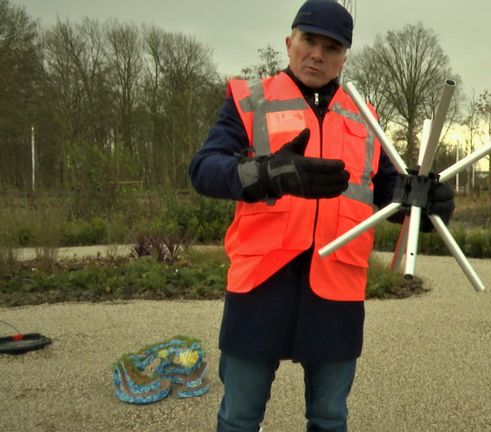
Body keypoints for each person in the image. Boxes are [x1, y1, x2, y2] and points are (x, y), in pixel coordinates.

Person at [188, 1, 454, 431]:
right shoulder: (249, 100)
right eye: (309, 41)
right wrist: (266, 173)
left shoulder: (364, 116)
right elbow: (203, 170)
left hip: (336, 288)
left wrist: (423, 202)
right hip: (261, 284)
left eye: (331, 47)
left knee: (330, 418)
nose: (317, 54)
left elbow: (389, 189)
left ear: (344, 56)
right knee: (239, 417)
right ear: (289, 42)